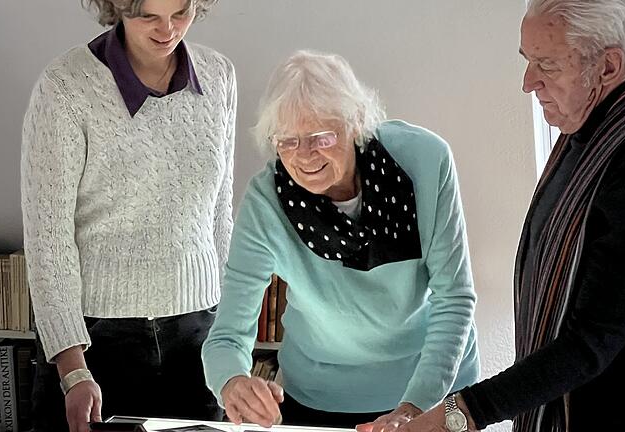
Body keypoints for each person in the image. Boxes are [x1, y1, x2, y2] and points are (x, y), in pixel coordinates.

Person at [398, 1, 625, 431]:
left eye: (546, 65)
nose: (528, 82)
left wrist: (458, 415)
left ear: (608, 66)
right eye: (528, 61)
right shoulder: (592, 129)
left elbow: (589, 342)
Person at [202, 50, 480, 431]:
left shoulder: (424, 162)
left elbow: (455, 298)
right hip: (320, 394)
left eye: (321, 137)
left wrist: (413, 408)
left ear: (356, 123)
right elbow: (228, 335)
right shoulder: (267, 201)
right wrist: (232, 382)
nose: (304, 156)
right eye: (288, 141)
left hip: (432, 384)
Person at [20, 0, 236, 430]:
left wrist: (233, 334)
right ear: (117, 7)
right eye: (148, 16)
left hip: (197, 337)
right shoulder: (66, 86)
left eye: (181, 13)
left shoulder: (219, 75)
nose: (167, 30)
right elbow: (48, 238)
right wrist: (73, 369)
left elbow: (218, 212)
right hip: (97, 341)